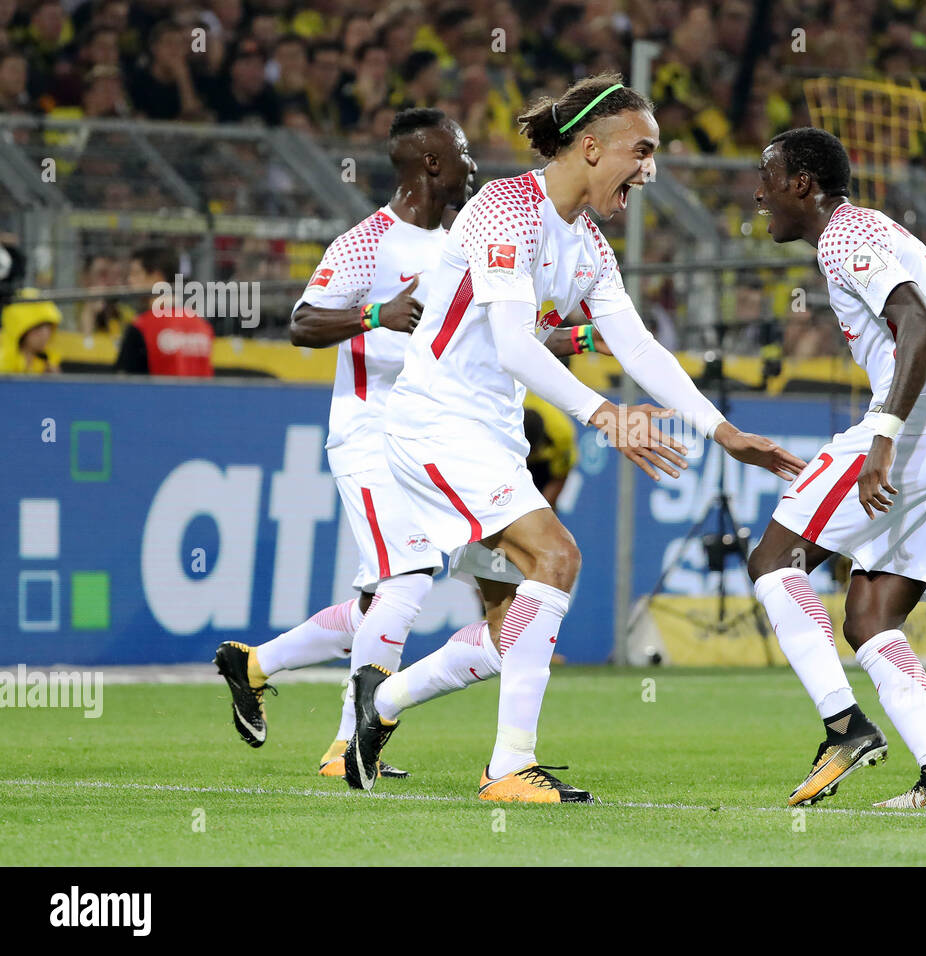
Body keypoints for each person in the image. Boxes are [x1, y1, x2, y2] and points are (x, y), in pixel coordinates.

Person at [343, 73, 805, 803]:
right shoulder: (505, 208)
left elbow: (640, 348)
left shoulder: (586, 243)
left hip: (488, 434)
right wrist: (604, 415)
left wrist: (722, 431)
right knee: (558, 557)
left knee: (510, 633)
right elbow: (513, 344)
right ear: (592, 148)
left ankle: (383, 703)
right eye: (642, 151)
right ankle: (507, 769)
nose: (650, 170)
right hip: (435, 422)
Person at [211, 108, 603, 778]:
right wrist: (375, 314)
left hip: (447, 439)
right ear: (430, 164)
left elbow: (504, 334)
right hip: (370, 430)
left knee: (403, 601)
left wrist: (588, 336)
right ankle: (346, 747)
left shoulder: (470, 238)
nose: (475, 169)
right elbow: (302, 322)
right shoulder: (369, 243)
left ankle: (255, 665)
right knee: (409, 574)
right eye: (463, 158)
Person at [748, 127, 926, 810]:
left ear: (803, 184)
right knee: (871, 616)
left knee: (773, 559)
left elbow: (917, 325)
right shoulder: (874, 232)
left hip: (918, 432)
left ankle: (843, 727)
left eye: (768, 176)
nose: (758, 192)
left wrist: (883, 438)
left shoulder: (848, 237)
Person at [115, 245, 213, 377]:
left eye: (136, 274)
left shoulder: (142, 327)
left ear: (157, 277)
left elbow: (123, 384)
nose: (129, 280)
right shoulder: (203, 327)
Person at [0, 292, 62, 374]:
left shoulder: (49, 363)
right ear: (22, 331)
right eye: (38, 328)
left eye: (49, 328)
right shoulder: (4, 364)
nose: (45, 334)